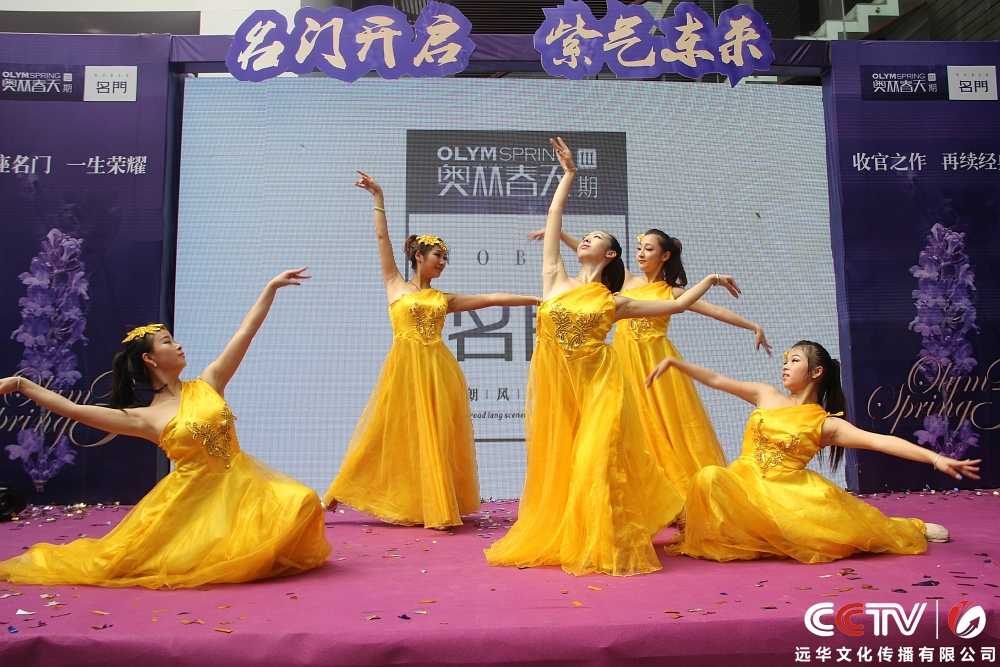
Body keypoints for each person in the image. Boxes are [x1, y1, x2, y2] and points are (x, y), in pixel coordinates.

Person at [484, 138, 742, 576]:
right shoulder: (554, 278)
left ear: (610, 255)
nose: (586, 238)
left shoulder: (615, 301)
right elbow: (554, 217)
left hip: (604, 385)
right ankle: (588, 530)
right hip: (561, 388)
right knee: (566, 463)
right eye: (585, 236)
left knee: (596, 457)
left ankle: (607, 538)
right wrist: (569, 174)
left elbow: (679, 305)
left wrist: (711, 278)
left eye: (597, 237)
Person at [0, 269, 332, 588]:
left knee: (302, 500)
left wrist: (271, 288)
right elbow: (73, 410)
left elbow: (245, 333)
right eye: (167, 342)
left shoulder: (209, 382)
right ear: (150, 359)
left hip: (244, 486)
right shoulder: (144, 417)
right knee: (126, 562)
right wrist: (20, 384)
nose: (178, 345)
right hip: (192, 501)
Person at [322, 171, 539, 530]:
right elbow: (382, 238)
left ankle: (437, 506)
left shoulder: (444, 298)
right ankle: (338, 492)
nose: (442, 262)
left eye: (445, 258)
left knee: (436, 436)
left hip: (439, 371)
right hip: (404, 369)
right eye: (438, 255)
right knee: (382, 430)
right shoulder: (395, 284)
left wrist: (535, 299)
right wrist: (378, 197)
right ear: (419, 256)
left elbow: (492, 298)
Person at [645, 340, 978, 563]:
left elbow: (880, 441)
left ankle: (912, 527)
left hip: (789, 495)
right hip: (743, 486)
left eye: (794, 360)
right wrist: (676, 363)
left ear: (817, 372)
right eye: (785, 360)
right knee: (709, 476)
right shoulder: (765, 394)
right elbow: (717, 379)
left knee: (849, 533)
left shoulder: (826, 423)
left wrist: (936, 457)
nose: (785, 366)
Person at [529, 226, 770, 495]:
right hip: (624, 361)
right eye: (640, 249)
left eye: (649, 249)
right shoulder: (626, 281)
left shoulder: (672, 292)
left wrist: (752, 326)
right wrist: (558, 234)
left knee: (664, 426)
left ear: (665, 256)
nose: (641, 254)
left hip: (656, 363)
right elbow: (595, 256)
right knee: (627, 425)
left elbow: (714, 310)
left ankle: (676, 490)